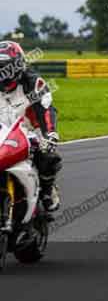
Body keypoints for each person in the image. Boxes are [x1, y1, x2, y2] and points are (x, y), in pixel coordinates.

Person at [0, 41, 61, 212]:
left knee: (48, 156)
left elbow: (46, 109)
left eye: (5, 68)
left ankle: (48, 190)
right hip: (2, 131)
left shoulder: (34, 83)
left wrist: (50, 134)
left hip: (30, 130)